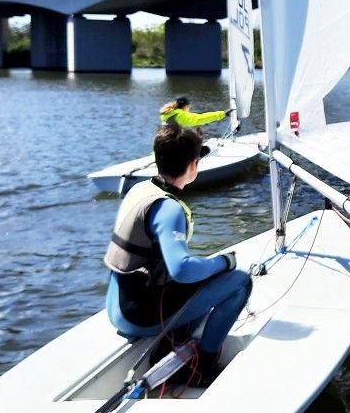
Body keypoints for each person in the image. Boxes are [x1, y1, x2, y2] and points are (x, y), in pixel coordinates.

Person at [104, 124, 252, 382]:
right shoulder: (168, 208)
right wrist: (223, 262)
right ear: (193, 166)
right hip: (139, 317)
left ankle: (173, 338)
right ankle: (202, 367)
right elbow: (181, 270)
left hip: (117, 307)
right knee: (239, 281)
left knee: (202, 274)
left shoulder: (140, 190)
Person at [159, 96, 232, 129]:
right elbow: (201, 118)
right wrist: (223, 113)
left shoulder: (167, 114)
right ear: (186, 106)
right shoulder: (181, 116)